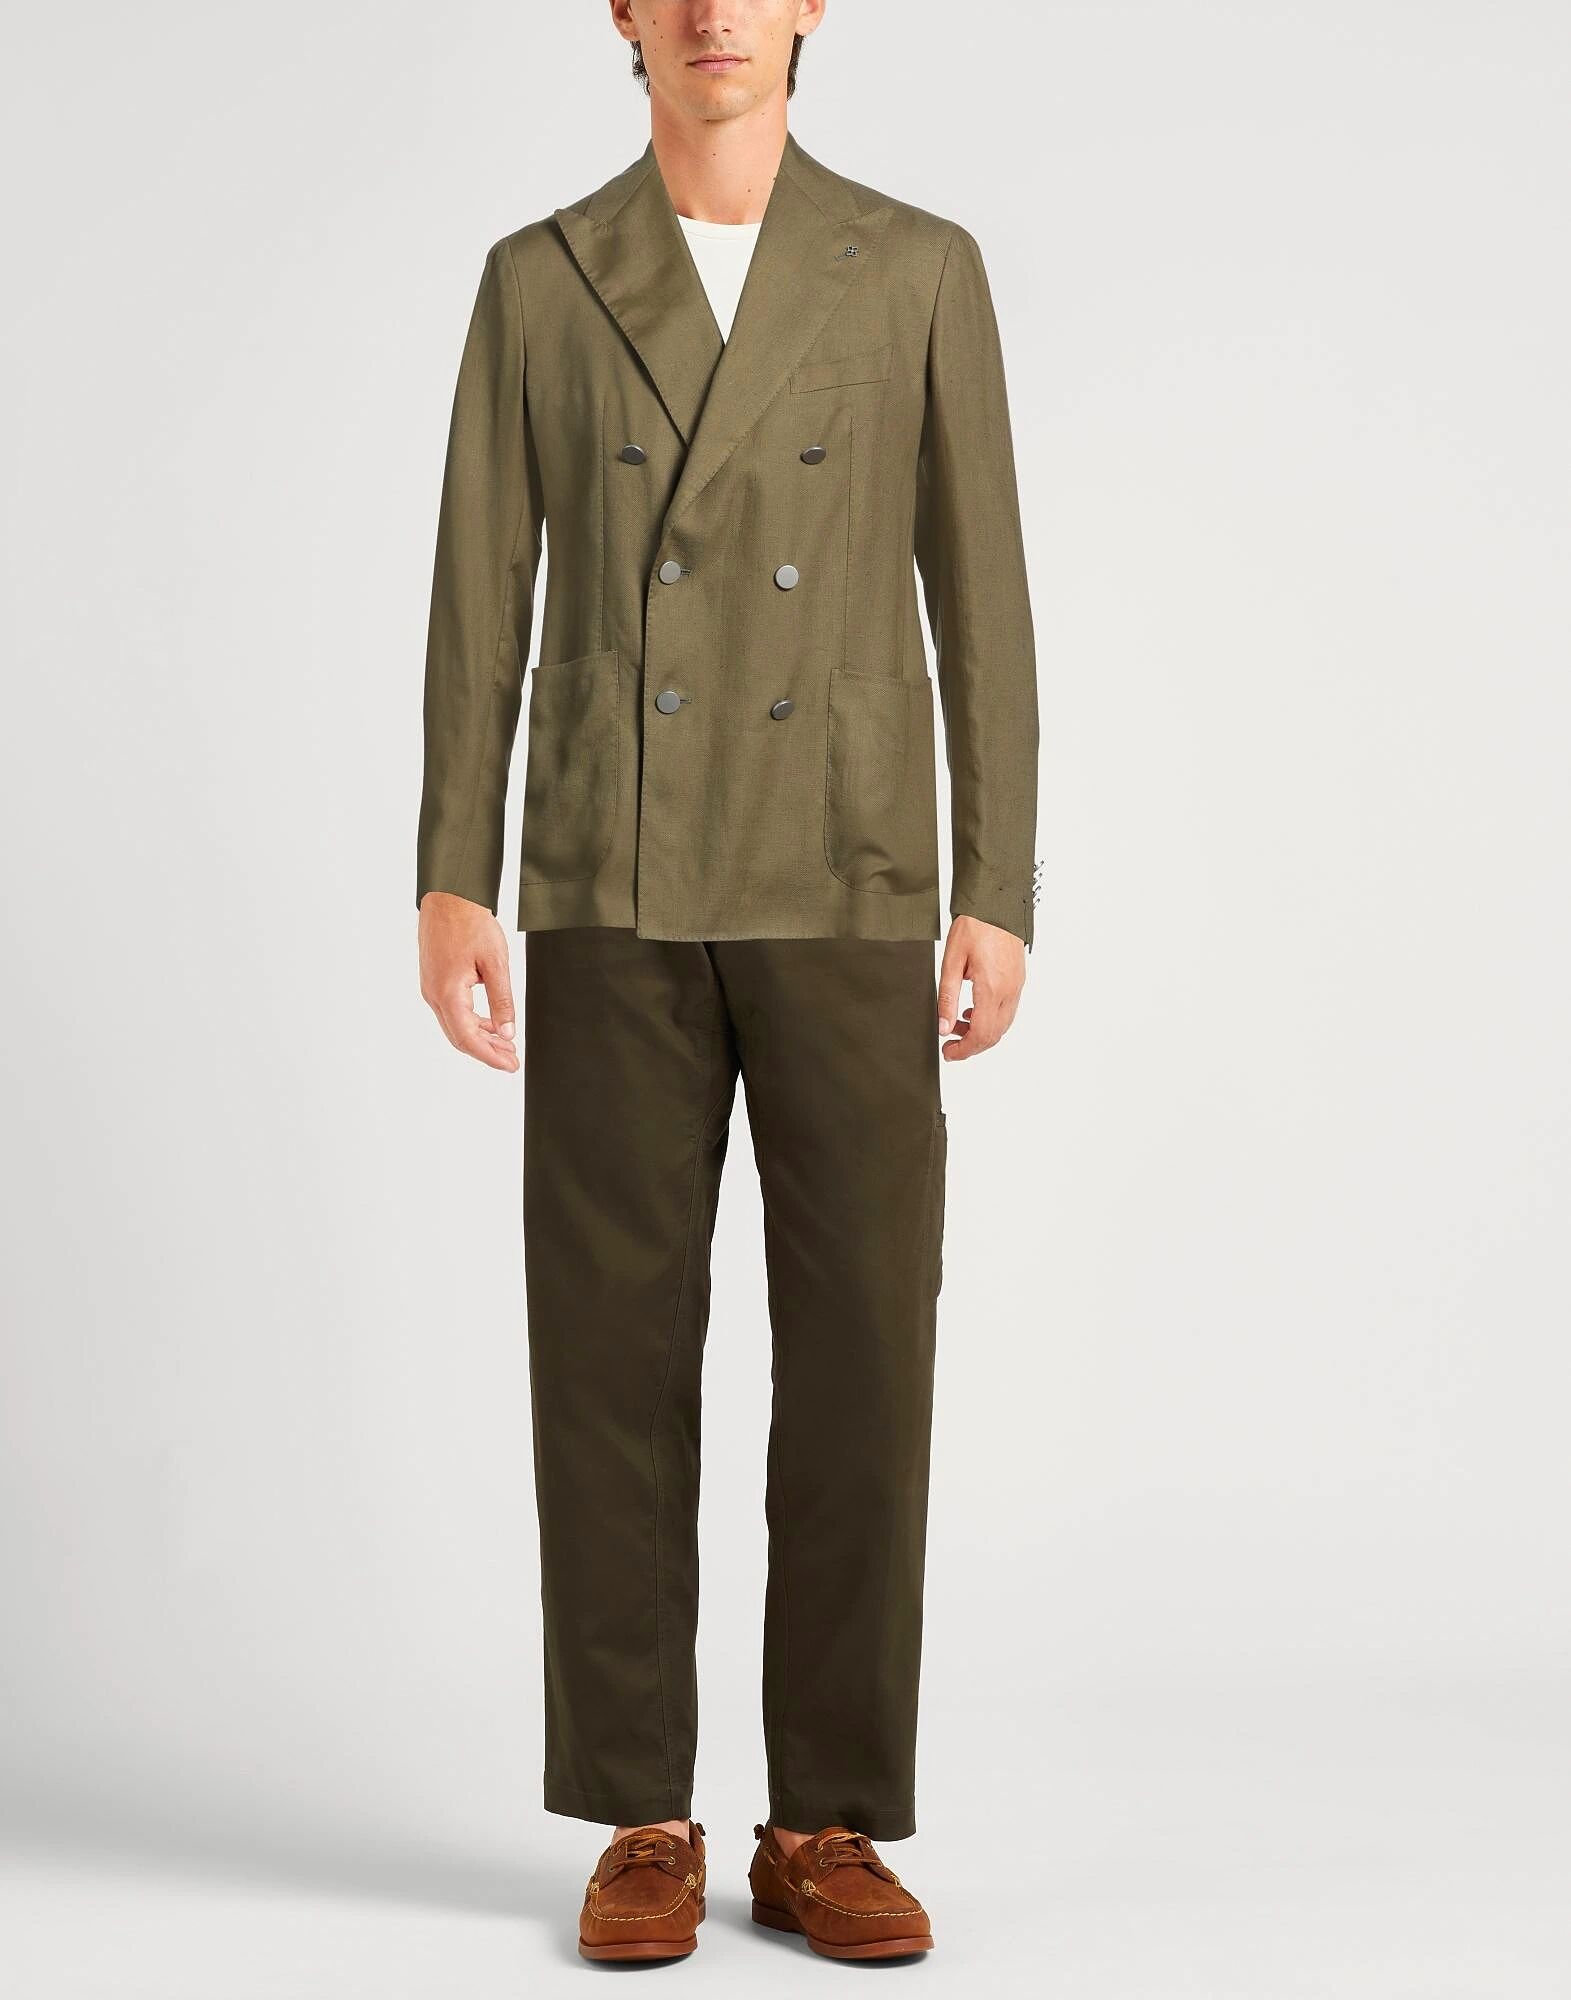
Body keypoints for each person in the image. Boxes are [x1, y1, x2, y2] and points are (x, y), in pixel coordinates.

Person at [415, 0, 1038, 1965]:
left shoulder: (916, 267)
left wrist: (996, 878)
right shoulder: (541, 279)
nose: (711, 14)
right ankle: (643, 1817)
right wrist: (453, 869)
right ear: (620, 10)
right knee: (609, 1352)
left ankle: (827, 1817)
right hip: (612, 859)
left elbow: (983, 589)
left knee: (863, 1347)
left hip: (849, 861)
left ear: (808, 7)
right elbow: (478, 592)